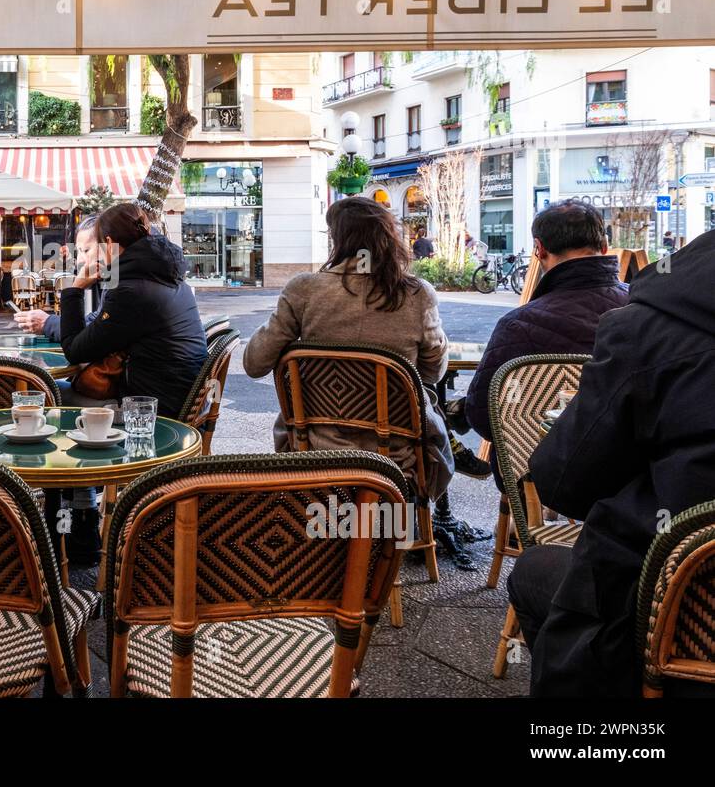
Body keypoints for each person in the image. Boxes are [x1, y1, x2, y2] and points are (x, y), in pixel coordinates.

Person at [508, 229, 715, 697]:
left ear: (540, 250)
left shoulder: (648, 328)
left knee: (535, 570)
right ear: (603, 246)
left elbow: (566, 483)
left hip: (669, 610)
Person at [243, 196, 454, 498]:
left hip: (318, 448)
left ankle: (324, 531)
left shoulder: (304, 290)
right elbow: (433, 372)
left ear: (336, 240)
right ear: (387, 238)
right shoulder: (417, 294)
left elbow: (254, 364)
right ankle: (402, 535)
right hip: (396, 454)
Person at [464, 200, 628, 489]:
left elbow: (484, 417)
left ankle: (520, 530)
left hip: (541, 480)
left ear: (539, 249)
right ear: (604, 245)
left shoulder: (518, 326)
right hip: (633, 480)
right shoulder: (646, 308)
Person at [58, 203, 207, 418]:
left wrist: (75, 289)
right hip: (180, 397)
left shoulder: (130, 290)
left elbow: (74, 351)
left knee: (46, 391)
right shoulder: (165, 275)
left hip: (151, 409)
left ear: (108, 244)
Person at [14, 215, 101, 341]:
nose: (80, 260)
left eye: (86, 250)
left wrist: (47, 323)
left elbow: (95, 330)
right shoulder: (104, 278)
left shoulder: (118, 281)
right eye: (79, 251)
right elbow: (93, 320)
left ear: (108, 246)